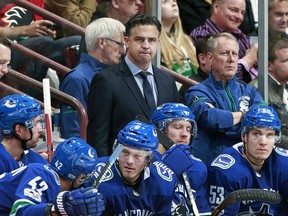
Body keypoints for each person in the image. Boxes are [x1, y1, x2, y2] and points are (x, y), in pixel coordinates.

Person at [87, 13, 179, 157]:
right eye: (139, 39)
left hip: (162, 168)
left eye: (152, 40)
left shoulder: (167, 80)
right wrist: (103, 170)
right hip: (121, 168)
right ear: (126, 41)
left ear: (158, 41)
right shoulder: (106, 80)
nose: (146, 46)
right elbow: (98, 135)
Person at [185, 33, 264, 164]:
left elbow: (263, 119)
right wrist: (244, 117)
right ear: (210, 58)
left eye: (235, 54)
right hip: (212, 163)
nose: (231, 59)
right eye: (225, 53)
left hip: (245, 162)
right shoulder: (196, 91)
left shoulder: (250, 91)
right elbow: (210, 118)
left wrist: (225, 122)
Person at [207, 104, 288, 215]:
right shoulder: (224, 171)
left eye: (269, 135)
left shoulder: (284, 163)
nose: (263, 142)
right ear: (244, 136)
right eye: (256, 134)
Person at [86, 120, 179, 215]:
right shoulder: (95, 176)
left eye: (138, 155)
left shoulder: (163, 182)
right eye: (125, 152)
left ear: (149, 158)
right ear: (116, 150)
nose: (130, 161)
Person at [0, 137, 104, 215]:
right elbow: (20, 212)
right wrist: (54, 209)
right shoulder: (41, 175)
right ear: (81, 177)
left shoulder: (45, 172)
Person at [59, 18, 126, 139]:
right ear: (101, 42)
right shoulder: (77, 79)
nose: (123, 50)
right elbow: (73, 134)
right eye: (119, 44)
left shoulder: (118, 75)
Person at [150, 102, 211, 215]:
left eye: (188, 129)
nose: (185, 134)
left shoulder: (197, 167)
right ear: (159, 129)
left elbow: (203, 211)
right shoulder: (143, 162)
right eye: (178, 127)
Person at [190, 0, 258, 83]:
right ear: (216, 7)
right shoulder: (201, 35)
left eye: (242, 13)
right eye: (234, 10)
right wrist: (249, 59)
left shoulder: (240, 35)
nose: (239, 17)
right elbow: (219, 75)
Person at [250, 37, 288, 149]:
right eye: (286, 61)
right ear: (269, 65)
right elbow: (264, 132)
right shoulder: (258, 89)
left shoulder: (283, 86)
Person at [0, 94, 48, 174]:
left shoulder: (34, 159)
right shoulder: (2, 161)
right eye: (36, 123)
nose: (40, 129)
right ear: (19, 130)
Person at [160, 0, 199, 80]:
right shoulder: (155, 42)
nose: (174, 4)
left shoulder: (187, 40)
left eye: (174, 1)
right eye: (166, 1)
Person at [179, 35, 212, 103]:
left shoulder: (237, 85)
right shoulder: (190, 86)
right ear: (202, 59)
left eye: (234, 54)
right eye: (223, 54)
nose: (230, 59)